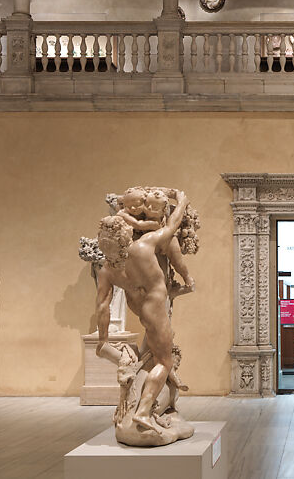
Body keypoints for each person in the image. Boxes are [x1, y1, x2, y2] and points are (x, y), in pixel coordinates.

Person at [94, 189, 193, 443]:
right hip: (155, 307)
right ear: (125, 235)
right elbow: (171, 225)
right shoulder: (142, 247)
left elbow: (103, 306)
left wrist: (103, 340)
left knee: (151, 354)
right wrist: (181, 201)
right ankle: (144, 412)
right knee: (164, 362)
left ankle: (151, 404)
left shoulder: (107, 269)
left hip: (138, 307)